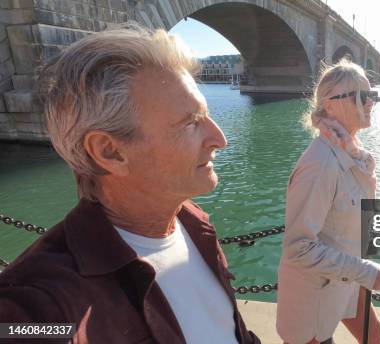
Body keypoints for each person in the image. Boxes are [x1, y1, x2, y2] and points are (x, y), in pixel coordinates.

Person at [0, 25, 260, 344]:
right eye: (190, 123)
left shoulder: (193, 223)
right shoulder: (42, 308)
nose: (220, 139)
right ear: (111, 152)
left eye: (206, 115)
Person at [276, 60, 380, 344]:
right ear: (330, 105)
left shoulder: (350, 154)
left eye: (372, 95)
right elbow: (298, 247)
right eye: (361, 96)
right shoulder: (320, 165)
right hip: (314, 293)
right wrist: (367, 272)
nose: (371, 103)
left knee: (374, 336)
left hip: (345, 281)